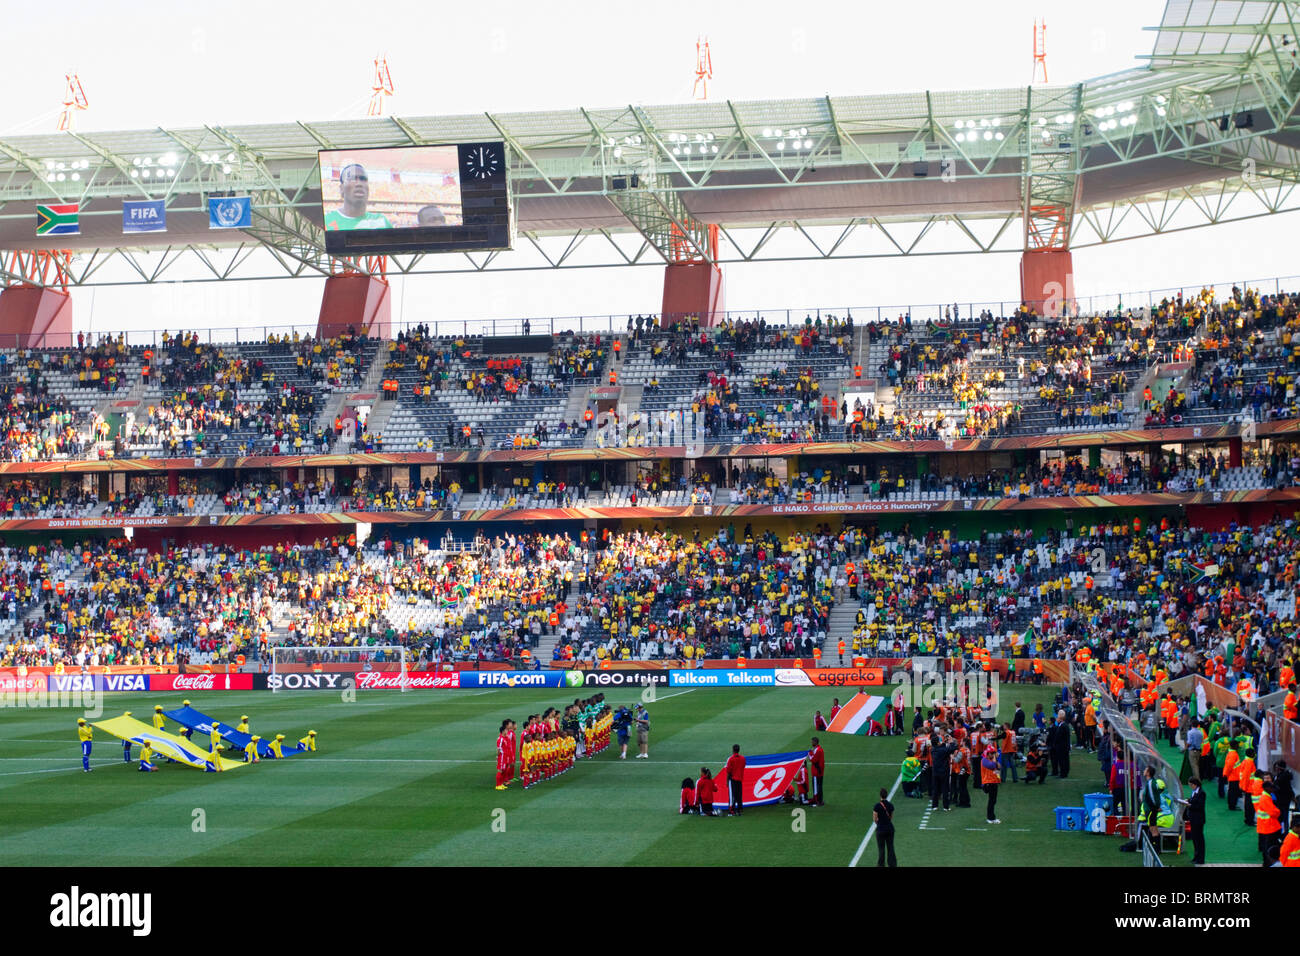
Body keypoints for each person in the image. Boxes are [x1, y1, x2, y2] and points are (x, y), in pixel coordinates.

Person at [324, 164, 394, 230]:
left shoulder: (382, 222)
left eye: (363, 179)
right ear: (341, 188)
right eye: (352, 179)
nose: (359, 183)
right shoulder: (327, 221)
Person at [873, 786, 897, 867]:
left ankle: (881, 864)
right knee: (890, 847)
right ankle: (892, 864)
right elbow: (891, 817)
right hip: (890, 829)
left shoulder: (877, 806)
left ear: (880, 795)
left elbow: (875, 819)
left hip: (880, 830)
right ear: (886, 795)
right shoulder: (890, 805)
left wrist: (880, 823)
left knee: (881, 848)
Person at [1184, 776, 1207, 864]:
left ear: (1195, 784)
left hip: (1198, 819)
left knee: (1199, 839)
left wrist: (1190, 805)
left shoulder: (1202, 793)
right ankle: (1196, 857)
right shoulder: (1195, 792)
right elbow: (1193, 800)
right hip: (1193, 819)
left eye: (1191, 785)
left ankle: (1200, 859)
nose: (1190, 786)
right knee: (1194, 839)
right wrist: (1188, 800)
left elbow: (1200, 806)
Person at [1141, 767, 1162, 854]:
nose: (1144, 771)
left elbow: (1153, 797)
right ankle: (1157, 847)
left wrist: (1155, 807)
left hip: (1150, 809)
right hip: (1151, 809)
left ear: (1148, 773)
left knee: (1153, 828)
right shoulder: (1152, 782)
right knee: (1154, 827)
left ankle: (1156, 849)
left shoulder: (1150, 783)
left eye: (1145, 770)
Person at [980, 744, 1001, 824]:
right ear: (988, 753)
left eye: (994, 753)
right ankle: (990, 818)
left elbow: (999, 767)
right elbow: (992, 766)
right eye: (992, 753)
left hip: (993, 782)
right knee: (991, 801)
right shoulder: (984, 760)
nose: (993, 754)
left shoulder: (992, 759)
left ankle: (991, 818)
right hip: (988, 783)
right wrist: (995, 759)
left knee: (993, 801)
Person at [725, 744, 746, 816]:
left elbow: (728, 771)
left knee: (732, 795)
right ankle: (739, 810)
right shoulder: (743, 758)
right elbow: (743, 766)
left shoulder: (731, 759)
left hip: (732, 779)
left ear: (733, 750)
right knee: (739, 795)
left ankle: (731, 810)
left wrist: (727, 781)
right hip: (740, 779)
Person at [495, 719, 513, 790]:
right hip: (502, 757)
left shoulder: (505, 738)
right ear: (503, 731)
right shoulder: (500, 739)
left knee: (505, 770)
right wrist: (498, 756)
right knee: (500, 770)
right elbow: (499, 749)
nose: (507, 731)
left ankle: (501, 783)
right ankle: (498, 785)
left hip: (506, 757)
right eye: (506, 730)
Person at [809, 736, 825, 806]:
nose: (811, 743)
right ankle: (819, 800)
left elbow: (813, 760)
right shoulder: (818, 749)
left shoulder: (818, 750)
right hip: (819, 771)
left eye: (812, 741)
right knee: (819, 786)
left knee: (816, 787)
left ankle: (817, 801)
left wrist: (809, 753)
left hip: (816, 772)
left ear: (815, 742)